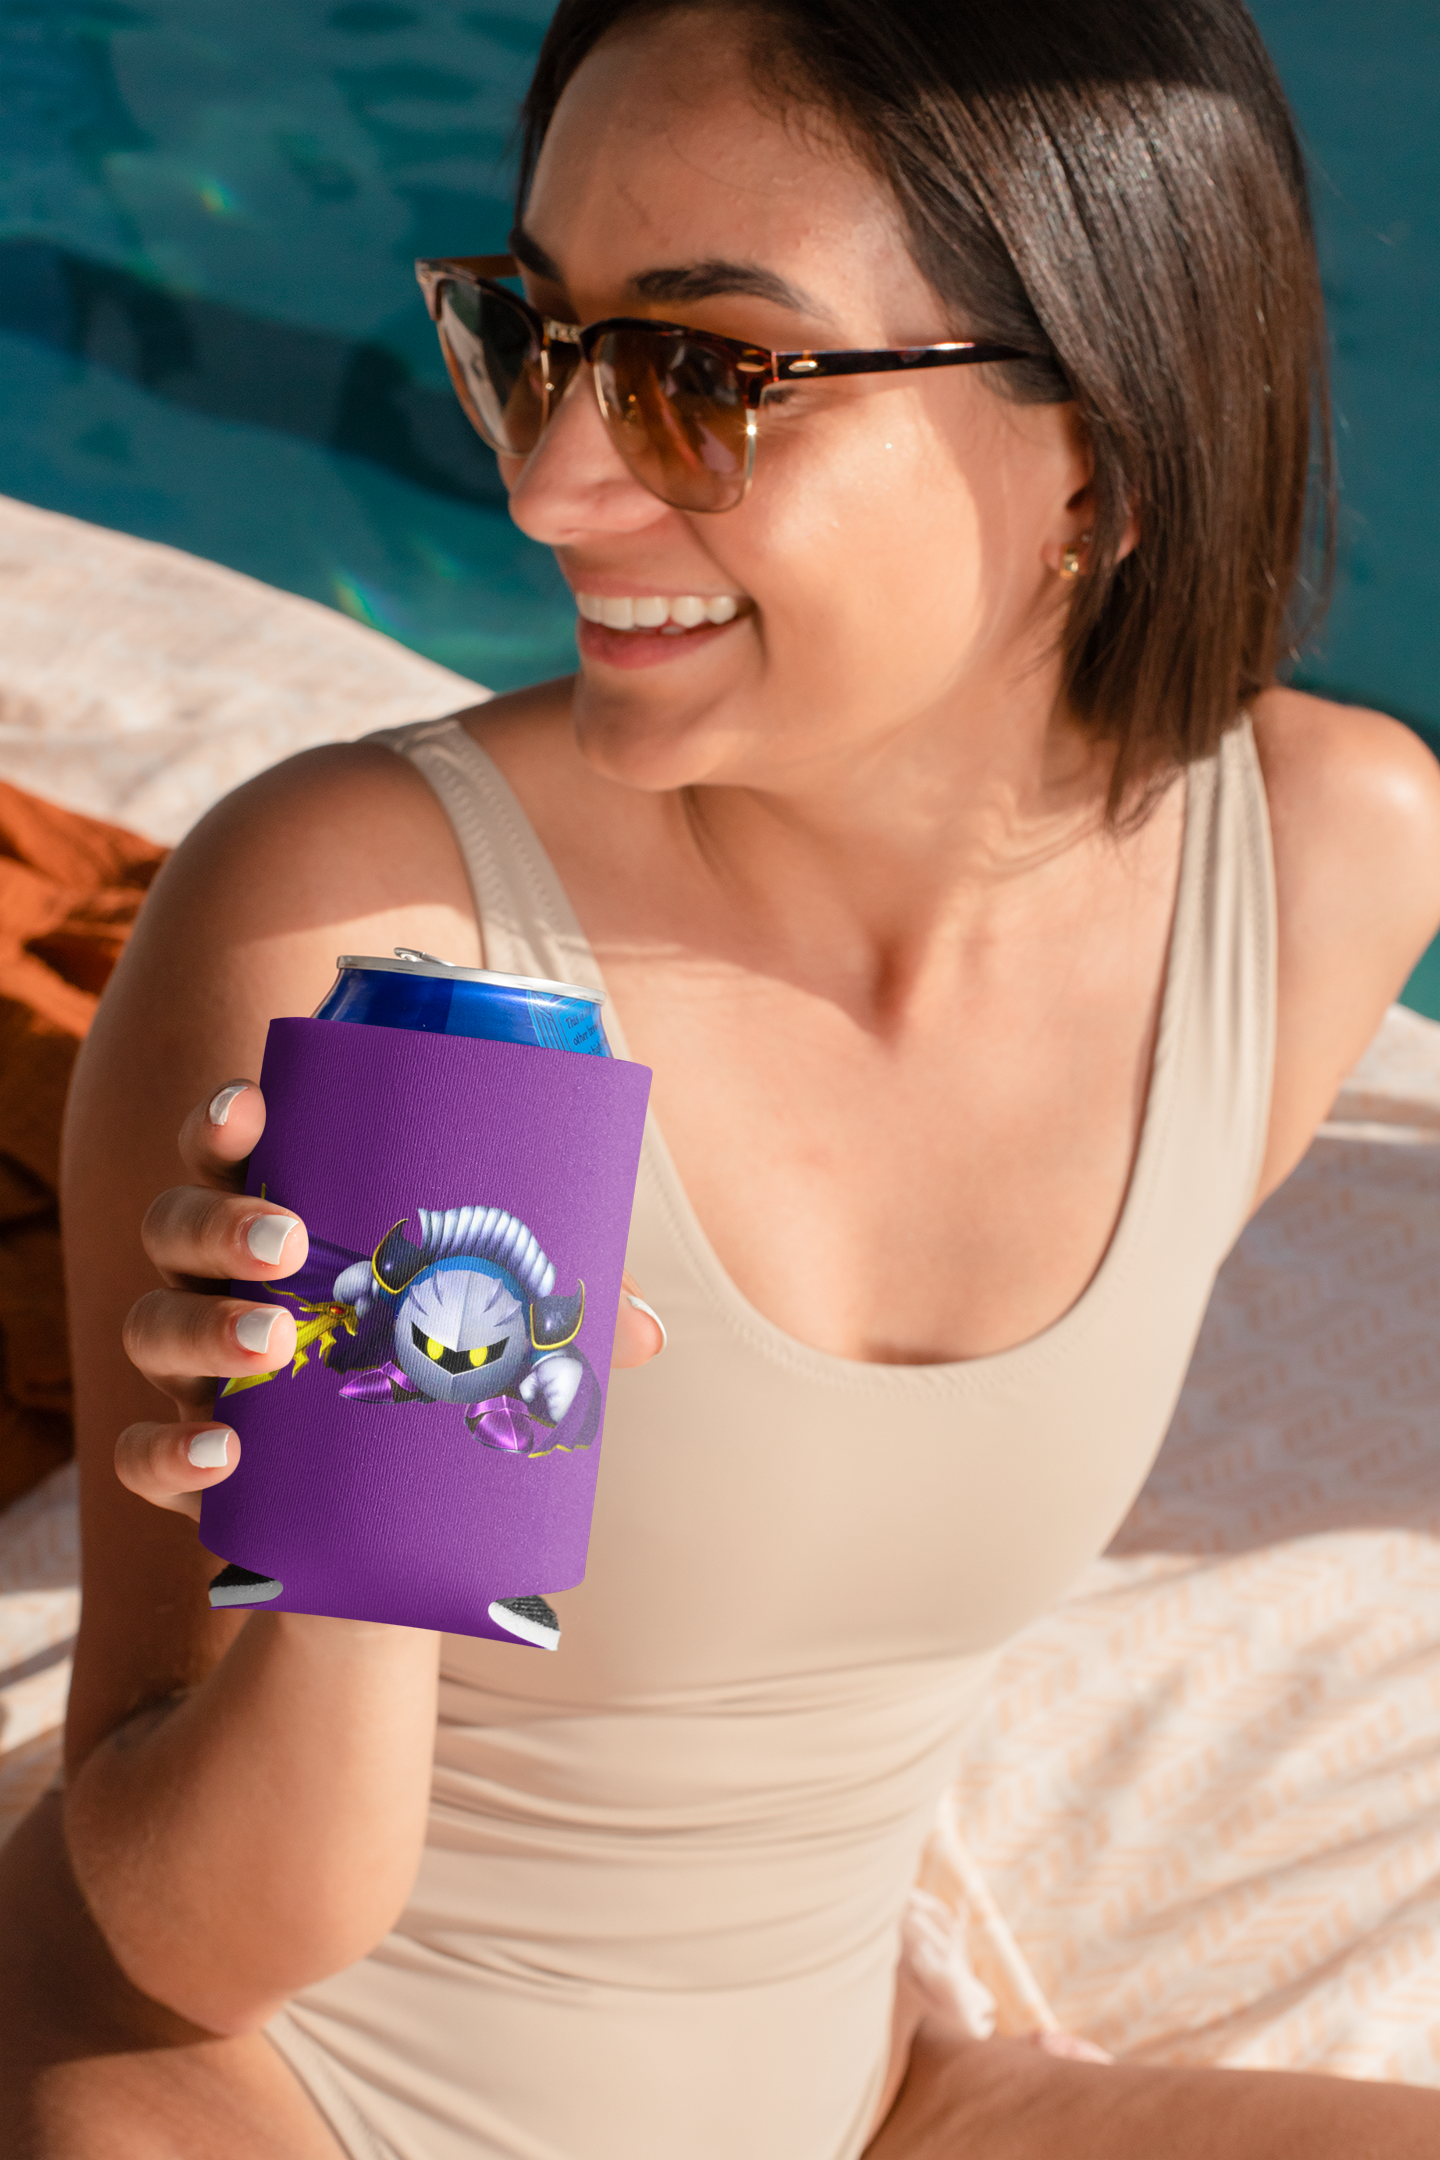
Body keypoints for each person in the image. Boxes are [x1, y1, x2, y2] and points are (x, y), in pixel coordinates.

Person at [8, 0, 1440, 2152]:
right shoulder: (381, 932)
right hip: (267, 2084)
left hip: (864, 2097)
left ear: (1101, 444)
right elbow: (185, 1946)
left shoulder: (1321, 858)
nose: (549, 481)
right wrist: (367, 1551)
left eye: (705, 375)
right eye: (539, 339)